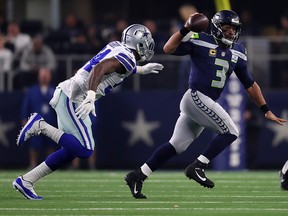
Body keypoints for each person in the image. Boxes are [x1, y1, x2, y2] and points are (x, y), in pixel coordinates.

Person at [124, 10, 287, 199]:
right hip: (197, 96)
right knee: (231, 131)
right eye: (227, 29)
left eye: (234, 30)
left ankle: (138, 175)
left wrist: (265, 110)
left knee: (177, 145)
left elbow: (250, 84)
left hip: (202, 101)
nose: (231, 33)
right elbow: (168, 48)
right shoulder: (200, 40)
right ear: (217, 29)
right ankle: (198, 165)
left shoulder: (238, 51)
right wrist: (184, 29)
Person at [12, 24, 164, 200]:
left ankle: (26, 180)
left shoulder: (118, 47)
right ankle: (41, 125)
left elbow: (116, 66)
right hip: (73, 97)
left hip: (73, 95)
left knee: (71, 151)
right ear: (138, 43)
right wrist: (91, 95)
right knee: (85, 150)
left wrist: (141, 69)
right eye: (146, 41)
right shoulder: (128, 58)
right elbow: (99, 68)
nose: (148, 44)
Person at [20, 68, 58, 168]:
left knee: (50, 145)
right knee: (34, 144)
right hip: (35, 123)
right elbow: (26, 105)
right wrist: (24, 118)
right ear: (39, 77)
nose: (45, 77)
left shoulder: (55, 90)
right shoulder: (32, 90)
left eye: (46, 75)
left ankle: (50, 166)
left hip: (50, 122)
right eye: (43, 75)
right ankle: (33, 163)